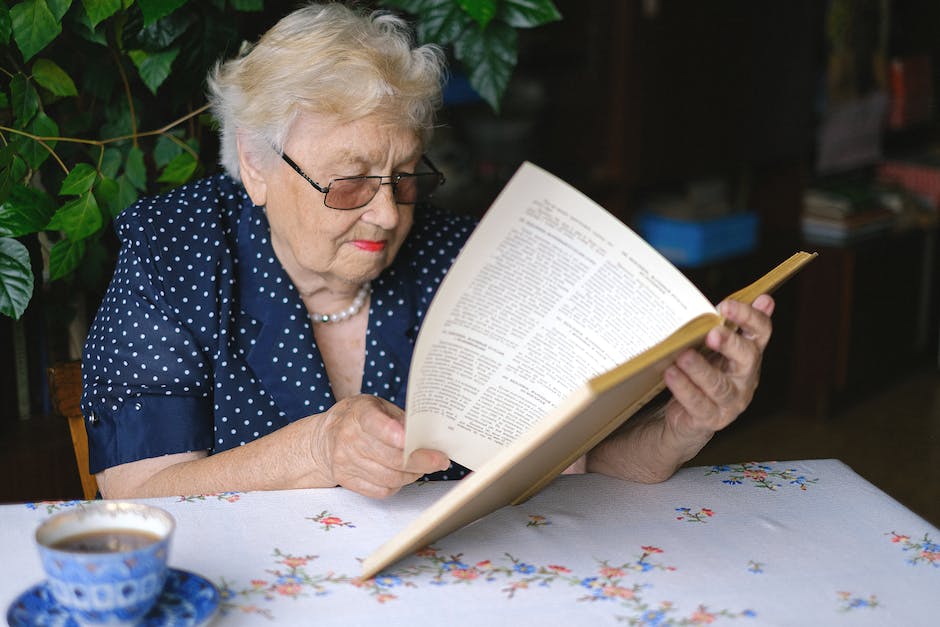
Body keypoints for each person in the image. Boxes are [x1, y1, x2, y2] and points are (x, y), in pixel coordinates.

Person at [81, 2, 775, 500]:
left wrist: (683, 426)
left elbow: (578, 465)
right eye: (350, 181)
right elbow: (140, 493)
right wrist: (318, 448)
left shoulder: (459, 256)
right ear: (257, 166)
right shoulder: (176, 253)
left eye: (406, 175)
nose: (387, 211)